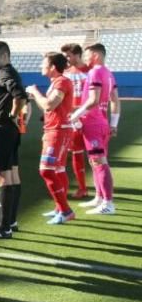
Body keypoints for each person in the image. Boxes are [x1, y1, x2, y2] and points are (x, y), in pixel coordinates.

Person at [70, 43, 120, 215]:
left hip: (93, 124)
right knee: (95, 161)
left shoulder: (95, 72)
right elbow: (115, 100)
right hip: (101, 124)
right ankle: (100, 197)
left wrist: (75, 115)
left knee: (99, 162)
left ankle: (108, 203)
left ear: (96, 55)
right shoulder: (108, 73)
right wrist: (113, 123)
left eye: (87, 54)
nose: (84, 58)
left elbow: (93, 100)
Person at [0, 41, 27, 239]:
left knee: (3, 175)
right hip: (9, 130)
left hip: (1, 130)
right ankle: (10, 221)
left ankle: (3, 227)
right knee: (12, 173)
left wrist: (12, 115)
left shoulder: (5, 74)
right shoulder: (9, 72)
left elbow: (20, 96)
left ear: (4, 56)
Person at [26, 52, 75, 224]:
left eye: (43, 63)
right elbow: (50, 109)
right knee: (58, 170)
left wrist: (34, 92)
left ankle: (65, 210)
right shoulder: (57, 82)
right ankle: (60, 207)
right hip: (56, 130)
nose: (41, 66)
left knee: (46, 170)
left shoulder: (61, 82)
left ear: (53, 67)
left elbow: (49, 104)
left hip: (58, 132)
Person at [60, 43, 91, 199]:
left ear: (78, 55)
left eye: (69, 55)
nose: (66, 58)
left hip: (90, 117)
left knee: (95, 155)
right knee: (76, 154)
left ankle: (102, 191)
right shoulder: (65, 73)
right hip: (72, 118)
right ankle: (82, 188)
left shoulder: (90, 72)